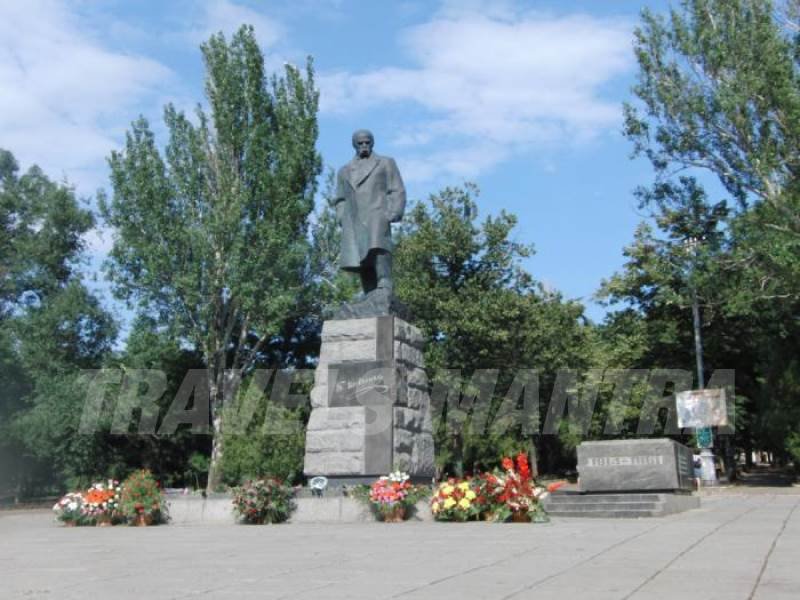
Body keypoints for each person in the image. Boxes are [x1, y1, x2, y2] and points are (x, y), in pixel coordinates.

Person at [333, 129, 406, 294]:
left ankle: (385, 283)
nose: (364, 145)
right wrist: (341, 217)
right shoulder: (344, 171)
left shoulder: (385, 162)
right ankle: (370, 293)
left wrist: (393, 212)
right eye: (360, 143)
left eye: (367, 142)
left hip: (377, 214)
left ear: (372, 143)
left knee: (378, 248)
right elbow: (340, 198)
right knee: (360, 257)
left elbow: (397, 189)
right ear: (354, 145)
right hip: (353, 219)